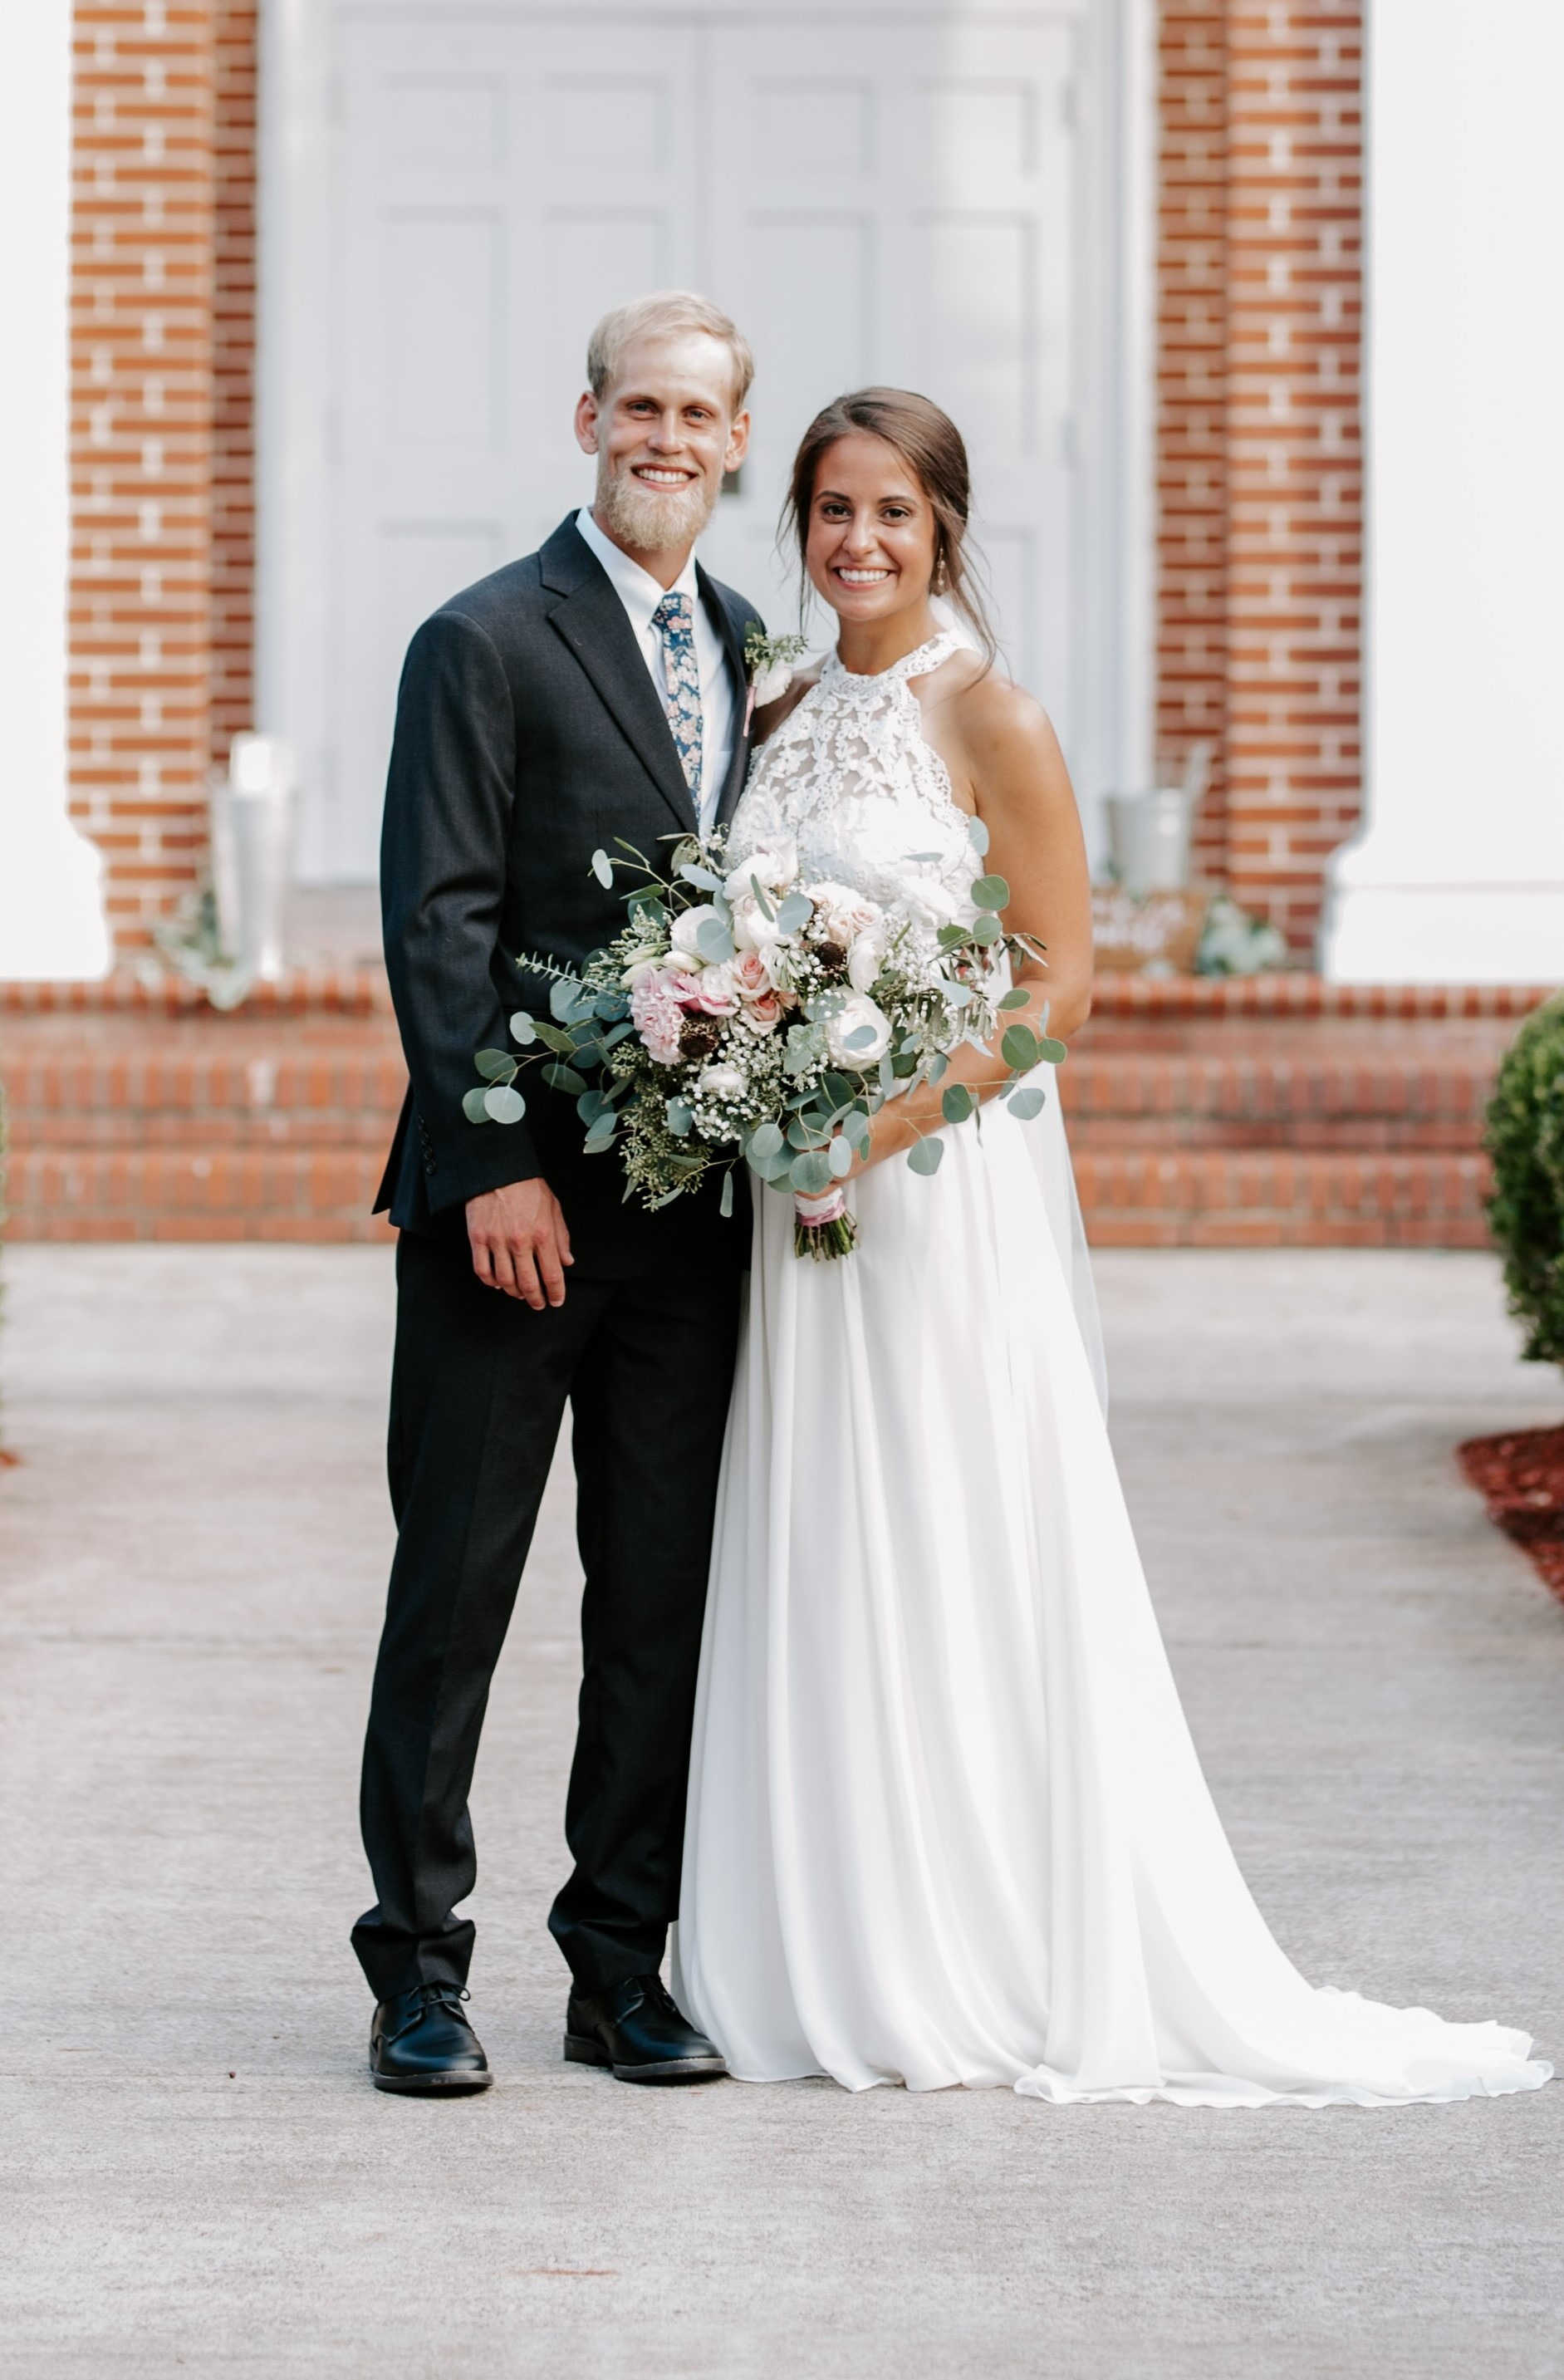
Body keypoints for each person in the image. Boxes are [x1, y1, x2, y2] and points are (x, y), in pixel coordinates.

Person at [673, 388, 1551, 2108]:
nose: (860, 541)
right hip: (796, 1196)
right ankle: (816, 1927)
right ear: (801, 524)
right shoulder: (778, 705)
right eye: (834, 509)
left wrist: (878, 1124)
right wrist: (749, 1064)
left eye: (894, 512)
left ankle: (974, 1937)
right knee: (816, 1526)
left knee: (942, 1522)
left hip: (930, 1192)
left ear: (945, 527)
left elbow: (1059, 987)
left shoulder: (992, 715)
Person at [354, 292, 763, 2094]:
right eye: (640, 406)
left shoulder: (753, 649)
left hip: (692, 1223)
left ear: (735, 441)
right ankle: (416, 1973)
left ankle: (618, 1966)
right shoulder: (480, 638)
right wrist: (497, 1159)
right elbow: (438, 921)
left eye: (699, 414)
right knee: (455, 1597)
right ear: (587, 418)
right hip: (505, 1218)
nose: (667, 438)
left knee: (654, 1607)